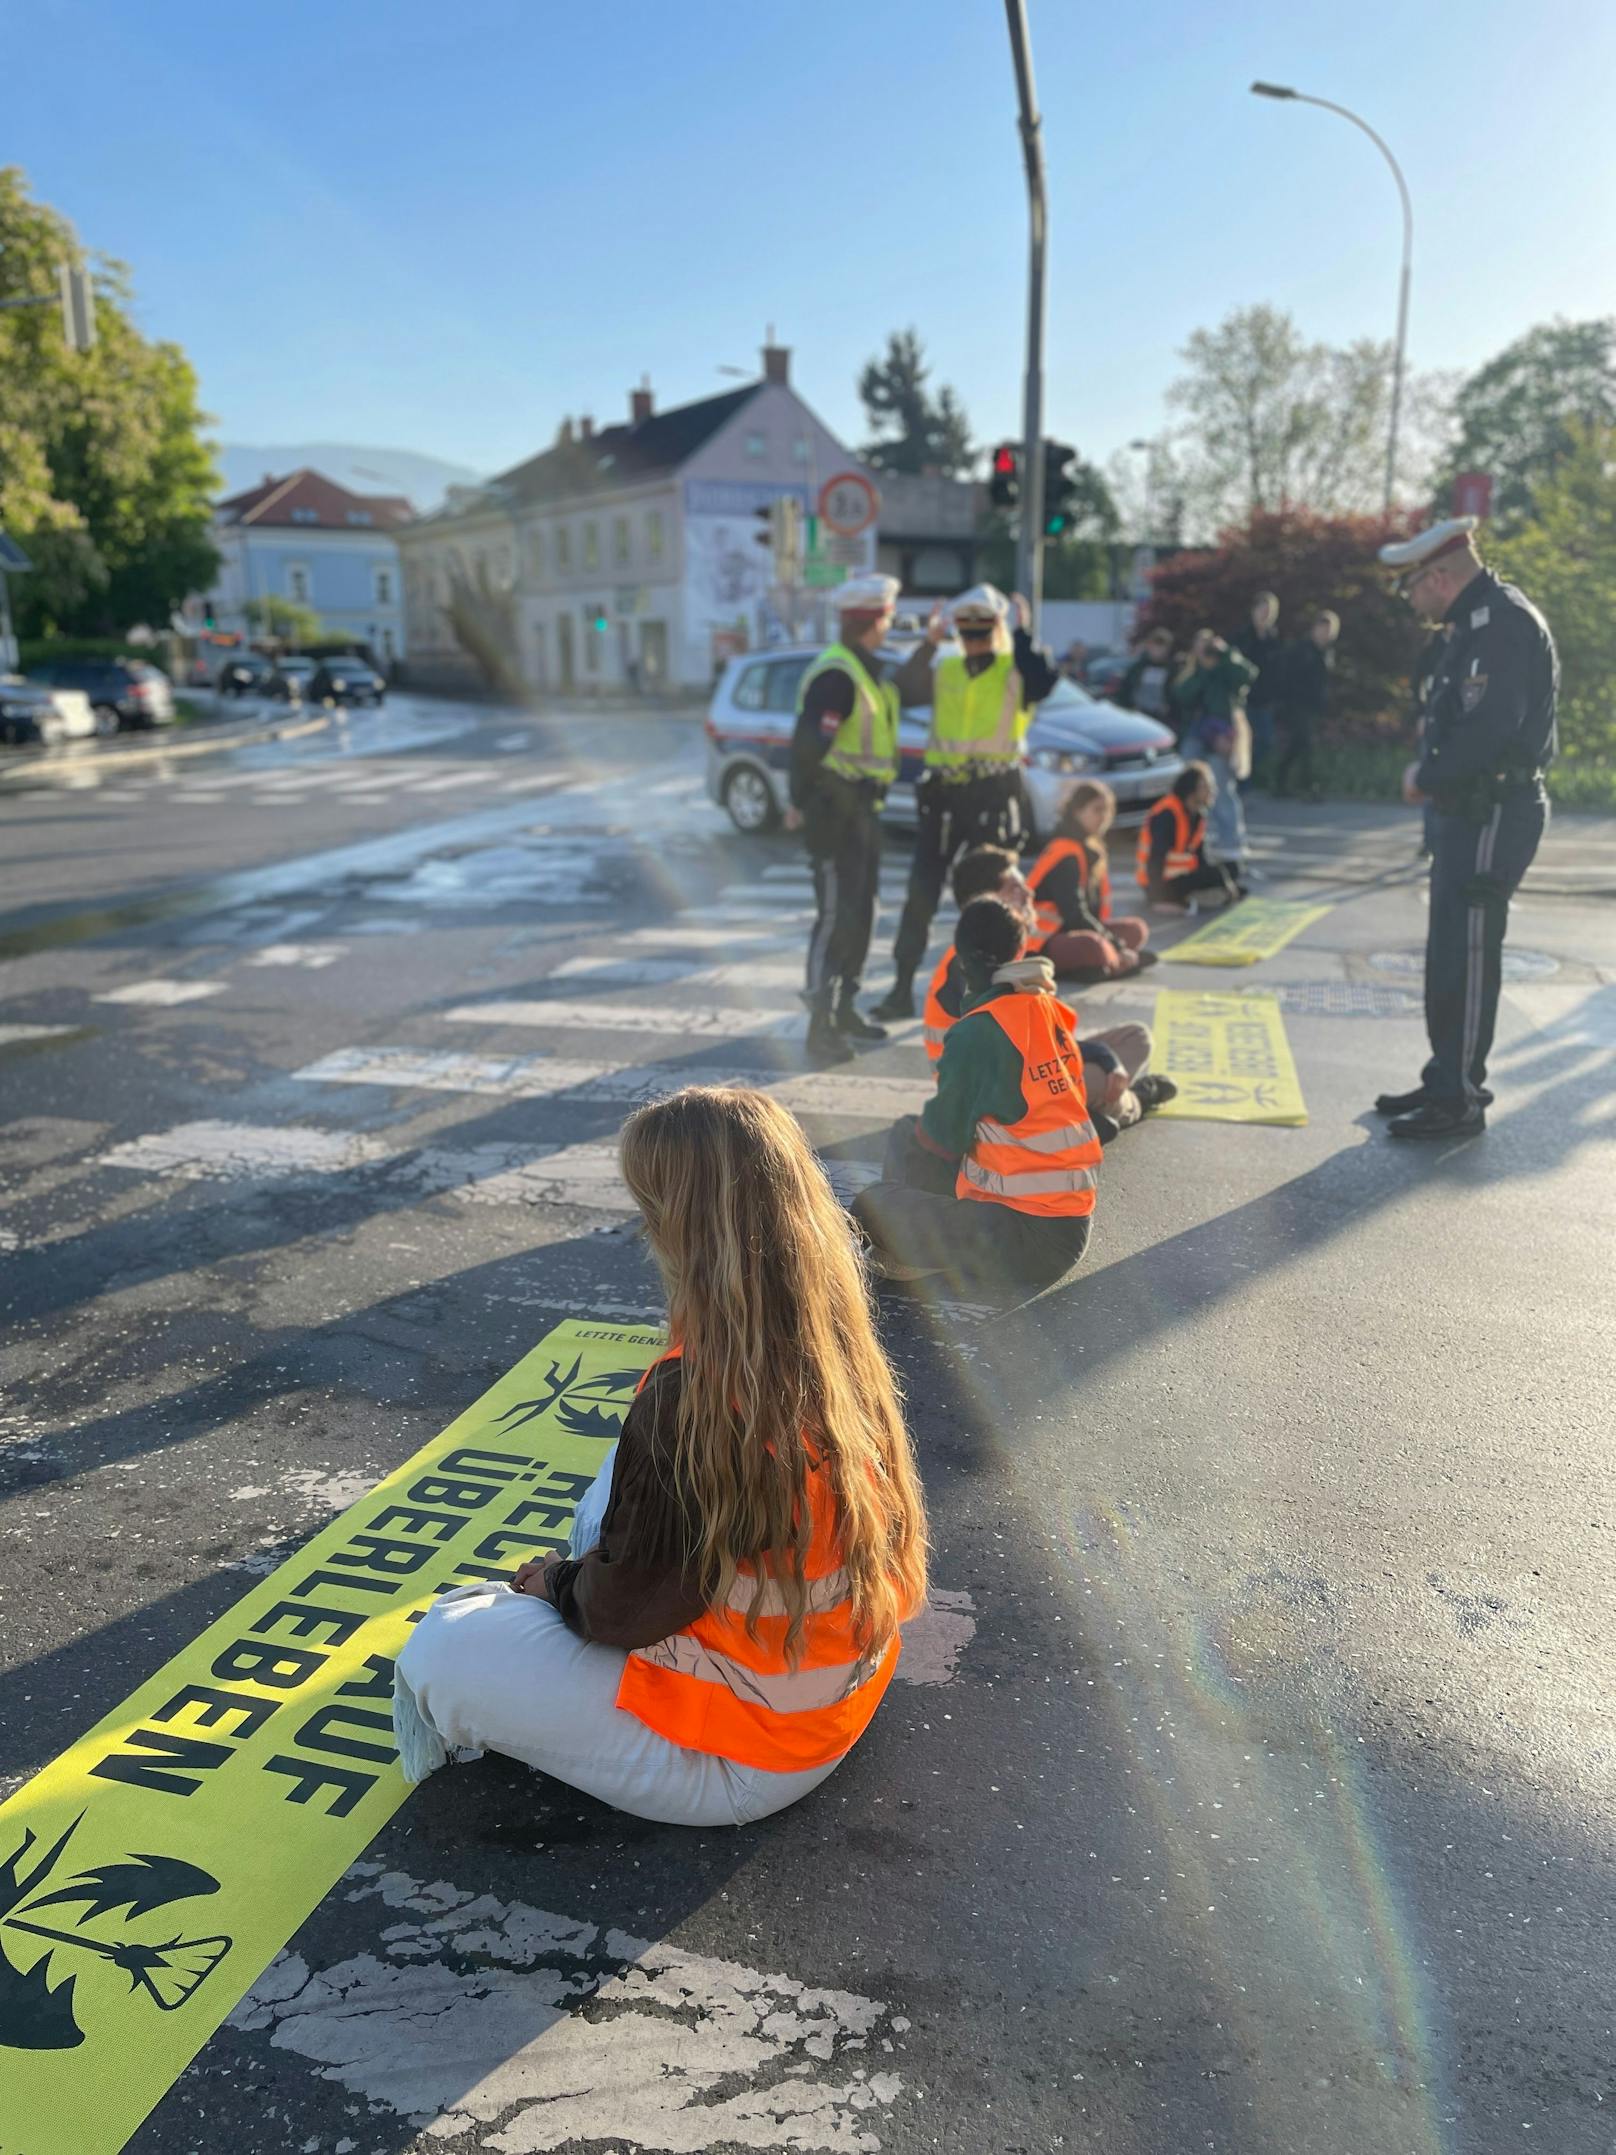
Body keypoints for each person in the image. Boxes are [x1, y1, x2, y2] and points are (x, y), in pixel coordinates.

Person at [393, 1086, 929, 1826]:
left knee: (443, 1648)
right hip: (835, 1686)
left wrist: (551, 1583)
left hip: (744, 1754)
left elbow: (621, 1611)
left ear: (676, 1225)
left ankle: (513, 1631)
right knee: (611, 1489)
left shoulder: (691, 1393)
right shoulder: (830, 1336)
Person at [1372, 517, 1558, 1140]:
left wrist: (1428, 774)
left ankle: (1461, 1099)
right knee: (1449, 950)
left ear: (1439, 577)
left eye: (1411, 589)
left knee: (1470, 953)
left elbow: (1490, 729)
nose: (1410, 601)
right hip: (1469, 808)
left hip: (1492, 809)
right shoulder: (1471, 623)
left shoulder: (1501, 623)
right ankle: (1446, 1075)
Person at [853, 897, 1103, 1301]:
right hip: (1062, 1223)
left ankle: (906, 1245)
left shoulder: (980, 1030)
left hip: (1025, 1236)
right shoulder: (1044, 1007)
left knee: (872, 1203)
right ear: (1018, 952)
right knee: (904, 1133)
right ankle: (911, 1241)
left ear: (963, 960)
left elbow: (939, 1139)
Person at [871, 583, 1060, 1022]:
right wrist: (930, 641)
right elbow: (901, 688)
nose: (972, 640)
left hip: (993, 794)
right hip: (944, 796)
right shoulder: (947, 667)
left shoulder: (1015, 669)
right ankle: (901, 989)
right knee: (922, 892)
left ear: (996, 630)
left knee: (995, 898)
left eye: (981, 632)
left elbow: (1045, 681)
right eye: (965, 632)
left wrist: (1024, 633)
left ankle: (994, 993)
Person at [917, 843, 1166, 1133]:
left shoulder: (990, 950)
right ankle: (1132, 1103)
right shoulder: (974, 965)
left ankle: (1089, 1115)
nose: (1030, 893)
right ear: (987, 900)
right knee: (1102, 1074)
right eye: (1015, 888)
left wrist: (1096, 1054)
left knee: (1136, 1038)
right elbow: (1021, 1054)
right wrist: (1100, 1057)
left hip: (1019, 1077)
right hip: (993, 1095)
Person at [787, 574, 904, 1065]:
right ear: (874, 621)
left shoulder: (863, 669)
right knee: (835, 918)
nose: (891, 624)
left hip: (862, 813)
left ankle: (846, 1009)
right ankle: (819, 1025)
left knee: (862, 915)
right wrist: (798, 801)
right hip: (835, 814)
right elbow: (809, 745)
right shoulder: (838, 675)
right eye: (888, 617)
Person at [1026, 779, 1154, 979]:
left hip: (1071, 931)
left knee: (1136, 929)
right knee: (1095, 947)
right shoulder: (1066, 852)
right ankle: (1110, 960)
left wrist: (1111, 940)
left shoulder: (1089, 847)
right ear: (1078, 812)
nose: (1104, 817)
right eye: (1097, 810)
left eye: (1107, 810)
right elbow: (1075, 914)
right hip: (1042, 943)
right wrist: (1116, 945)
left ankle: (1110, 961)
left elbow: (1091, 912)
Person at [1170, 629, 1257, 884]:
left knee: (1221, 789)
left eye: (1210, 646)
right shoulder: (1192, 671)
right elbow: (1182, 695)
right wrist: (1202, 669)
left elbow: (1248, 675)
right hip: (1196, 737)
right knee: (1187, 786)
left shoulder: (1227, 669)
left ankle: (1232, 846)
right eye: (1202, 646)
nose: (1207, 651)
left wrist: (1226, 654)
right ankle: (1191, 841)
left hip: (1222, 738)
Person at [1136, 761, 1242, 911]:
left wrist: (1222, 878)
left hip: (1183, 874)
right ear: (1191, 790)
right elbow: (1156, 858)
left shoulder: (1198, 815)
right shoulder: (1167, 814)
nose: (1213, 791)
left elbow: (1201, 857)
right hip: (1161, 882)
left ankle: (1213, 892)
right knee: (1217, 874)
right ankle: (1201, 895)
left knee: (1233, 868)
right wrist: (1156, 896)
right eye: (1206, 787)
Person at [1272, 610, 1339, 801]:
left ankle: (1280, 781)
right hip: (1296, 704)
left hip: (1313, 706)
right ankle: (1309, 787)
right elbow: (1287, 676)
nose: (1326, 634)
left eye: (1329, 630)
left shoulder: (1327, 652)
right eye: (1323, 629)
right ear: (1314, 629)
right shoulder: (1301, 649)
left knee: (1297, 745)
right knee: (1306, 744)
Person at [1234, 591, 1284, 786]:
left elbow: (1277, 669)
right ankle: (1240, 782)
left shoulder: (1273, 639)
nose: (1265, 615)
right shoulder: (1243, 636)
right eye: (1262, 610)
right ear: (1254, 611)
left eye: (1269, 612)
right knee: (1242, 741)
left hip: (1264, 700)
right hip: (1244, 699)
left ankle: (1246, 778)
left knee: (1265, 741)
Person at [1115, 624, 1176, 725]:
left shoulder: (1171, 669)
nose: (1158, 650)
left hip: (1161, 718)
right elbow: (1124, 690)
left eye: (1161, 647)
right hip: (1138, 715)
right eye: (1155, 645)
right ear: (1149, 646)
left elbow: (1175, 694)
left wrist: (1169, 707)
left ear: (1167, 649)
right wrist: (1129, 708)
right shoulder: (1137, 668)